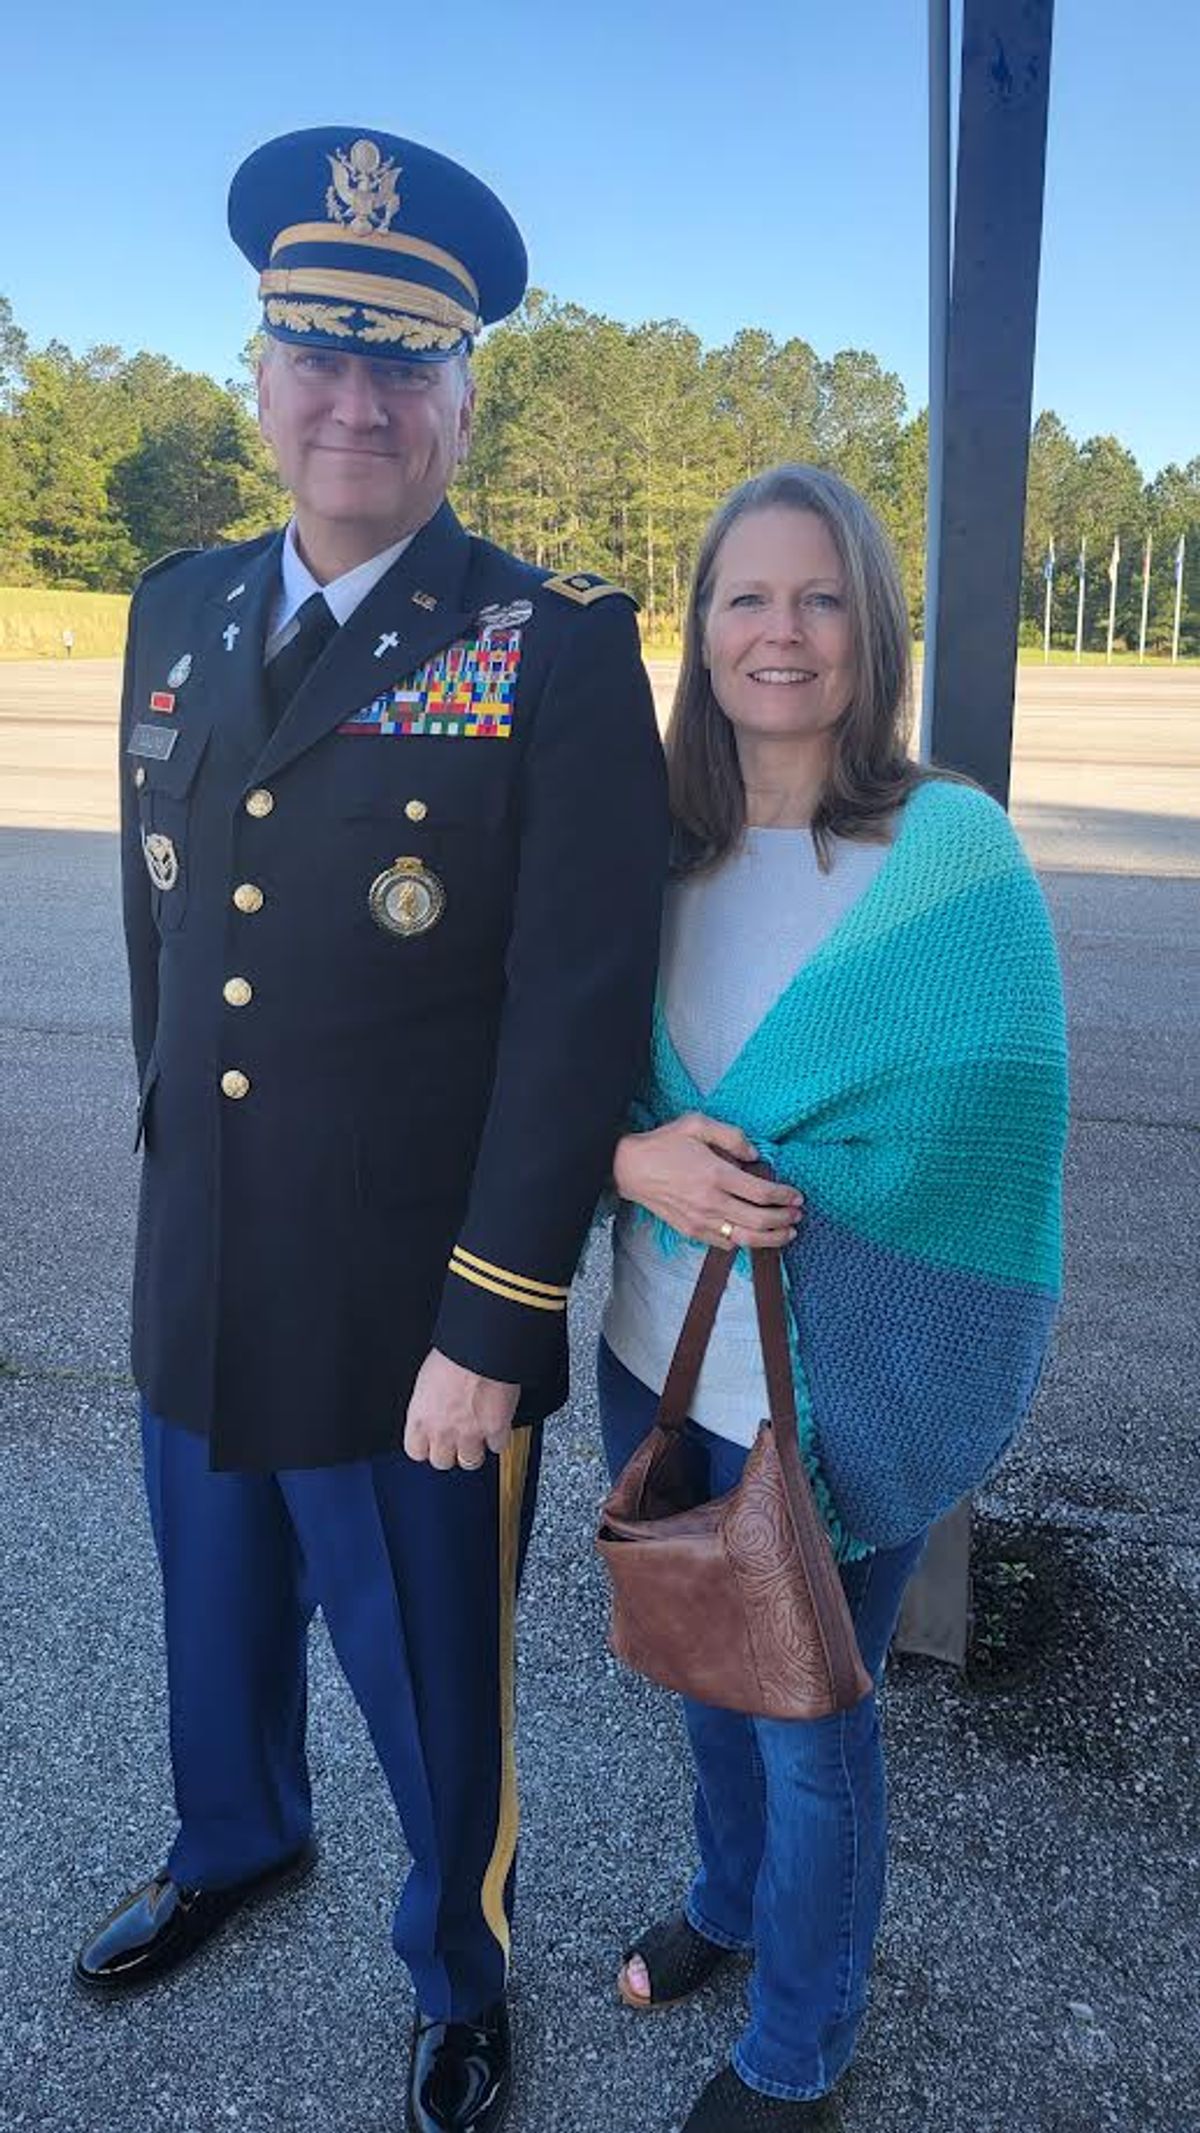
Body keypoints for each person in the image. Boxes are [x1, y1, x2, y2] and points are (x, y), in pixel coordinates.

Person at [74, 126, 667, 2133]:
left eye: (404, 364)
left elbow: (574, 1009)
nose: (356, 399)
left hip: (417, 1307)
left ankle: (459, 1963)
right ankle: (236, 1834)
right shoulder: (177, 610)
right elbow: (166, 935)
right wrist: (174, 1175)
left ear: (462, 403)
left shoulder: (548, 644)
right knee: (214, 1600)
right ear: (259, 381)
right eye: (318, 355)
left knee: (430, 1673)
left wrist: (494, 1320)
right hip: (206, 1246)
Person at [598, 464, 1068, 2131]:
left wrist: (809, 1175)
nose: (780, 631)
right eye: (745, 596)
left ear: (871, 628)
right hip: (656, 1357)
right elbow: (556, 1067)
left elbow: (998, 1121)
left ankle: (799, 2044)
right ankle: (728, 1904)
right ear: (701, 629)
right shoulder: (645, 843)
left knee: (812, 1726)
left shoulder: (950, 852)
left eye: (818, 598)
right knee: (702, 1670)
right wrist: (632, 1155)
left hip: (841, 1390)